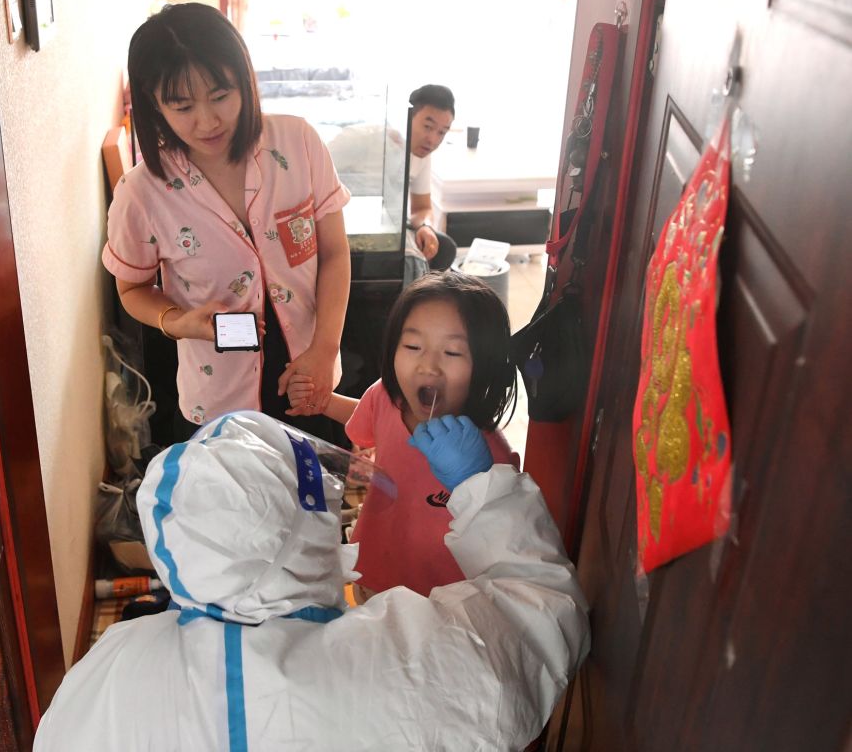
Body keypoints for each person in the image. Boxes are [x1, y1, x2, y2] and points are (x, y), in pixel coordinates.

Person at [33, 411, 589, 751]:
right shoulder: (389, 667)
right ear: (306, 537)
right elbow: (545, 617)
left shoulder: (114, 662)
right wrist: (480, 490)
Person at [104, 3, 351, 442]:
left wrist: (324, 349)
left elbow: (333, 253)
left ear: (245, 79)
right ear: (153, 103)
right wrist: (178, 321)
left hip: (308, 377)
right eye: (182, 106)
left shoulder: (297, 144)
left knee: (315, 502)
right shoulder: (141, 192)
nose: (208, 121)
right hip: (217, 404)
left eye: (221, 95)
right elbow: (131, 289)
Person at [288, 270, 518, 601]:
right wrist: (321, 401)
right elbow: (366, 420)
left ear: (486, 365)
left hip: (444, 599)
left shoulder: (488, 453)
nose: (428, 366)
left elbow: (504, 533)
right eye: (412, 346)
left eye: (452, 353)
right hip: (375, 568)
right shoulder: (383, 397)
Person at [407, 84, 458, 271]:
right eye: (428, 127)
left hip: (398, 226)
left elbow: (421, 207)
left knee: (444, 248)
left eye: (441, 132)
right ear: (408, 117)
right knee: (411, 263)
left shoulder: (422, 156)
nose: (433, 140)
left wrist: (425, 226)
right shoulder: (370, 139)